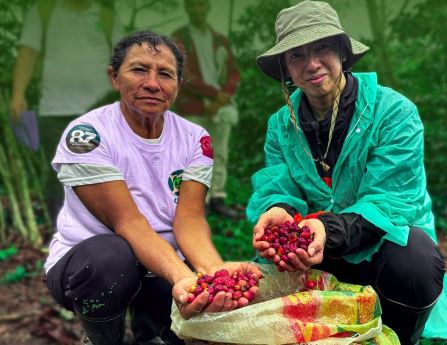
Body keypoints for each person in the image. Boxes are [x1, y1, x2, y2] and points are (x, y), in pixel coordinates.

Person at [247, 2, 447, 345]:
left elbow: (389, 200)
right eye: (296, 56)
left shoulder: (393, 112)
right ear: (286, 68)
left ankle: (399, 337)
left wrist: (324, 228)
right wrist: (280, 211)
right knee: (272, 275)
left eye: (322, 48)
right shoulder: (280, 125)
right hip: (317, 251)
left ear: (343, 53)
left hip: (380, 246)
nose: (312, 64)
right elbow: (278, 183)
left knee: (414, 260)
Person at [44, 30, 262, 345]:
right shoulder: (88, 135)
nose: (152, 83)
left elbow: (189, 219)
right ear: (114, 77)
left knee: (195, 326)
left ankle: (150, 333)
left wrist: (213, 272)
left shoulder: (193, 137)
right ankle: (102, 337)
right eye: (138, 69)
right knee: (111, 258)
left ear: (178, 84)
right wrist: (182, 277)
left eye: (165, 74)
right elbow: (128, 223)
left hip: (159, 262)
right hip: (91, 264)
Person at [9, 0, 123, 224]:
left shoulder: (107, 17)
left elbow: (125, 61)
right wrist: (18, 93)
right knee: (61, 174)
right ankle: (62, 237)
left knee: (105, 171)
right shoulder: (43, 11)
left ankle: (105, 232)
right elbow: (28, 53)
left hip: (101, 111)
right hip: (55, 109)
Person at [172, 0, 241, 219]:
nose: (196, 9)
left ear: (207, 7)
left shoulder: (220, 39)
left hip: (219, 107)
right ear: (186, 7)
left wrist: (220, 100)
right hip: (193, 106)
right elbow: (184, 74)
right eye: (192, 5)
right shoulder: (178, 38)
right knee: (195, 156)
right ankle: (197, 202)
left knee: (220, 152)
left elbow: (233, 74)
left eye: (200, 4)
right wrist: (212, 97)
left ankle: (218, 198)